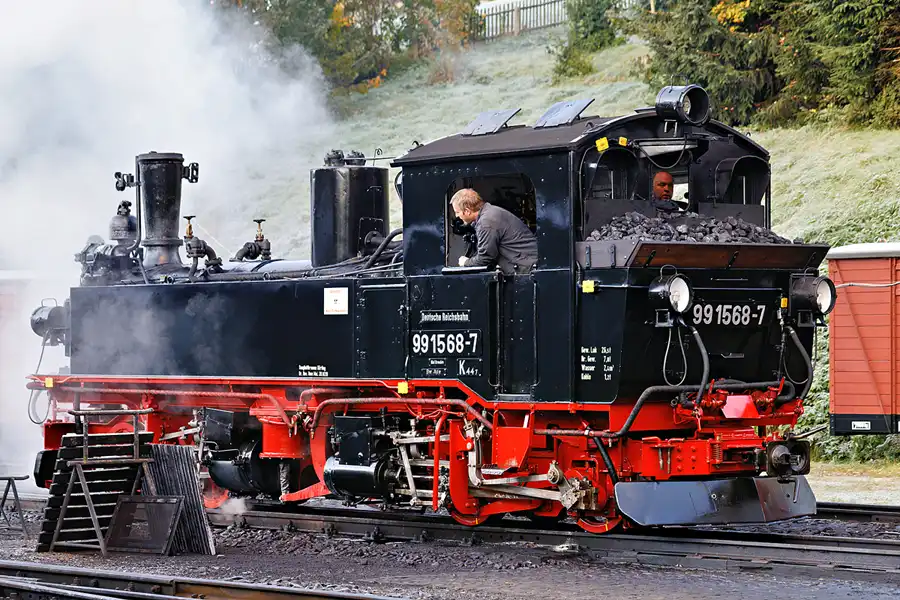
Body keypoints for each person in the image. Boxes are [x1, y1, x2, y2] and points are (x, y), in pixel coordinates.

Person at [451, 188, 538, 274]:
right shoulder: (490, 212)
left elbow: (485, 258)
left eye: (457, 212)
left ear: (467, 211)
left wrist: (466, 262)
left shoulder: (486, 223)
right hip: (528, 264)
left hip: (526, 269)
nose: (456, 216)